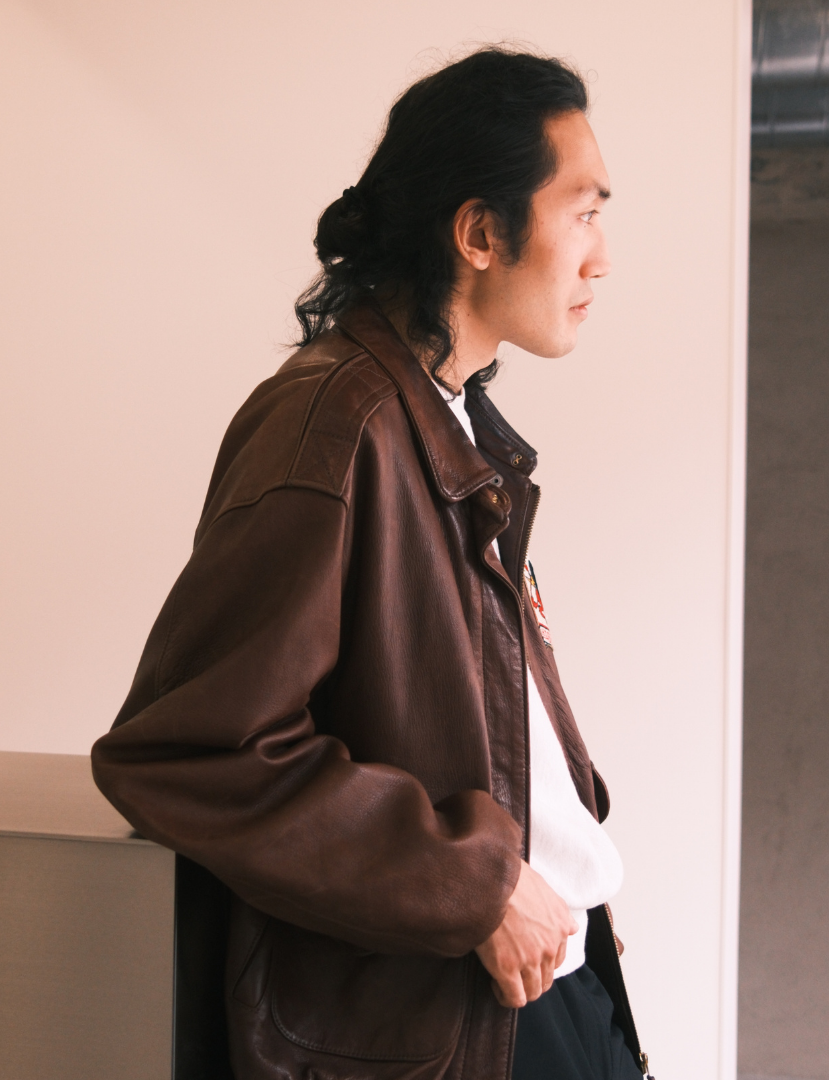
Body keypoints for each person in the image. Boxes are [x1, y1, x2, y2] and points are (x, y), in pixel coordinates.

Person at [92, 47, 651, 1080]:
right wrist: (476, 886)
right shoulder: (334, 424)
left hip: (541, 990)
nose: (602, 255)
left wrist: (572, 892)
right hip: (451, 1019)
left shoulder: (447, 421)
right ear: (481, 233)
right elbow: (190, 751)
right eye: (583, 212)